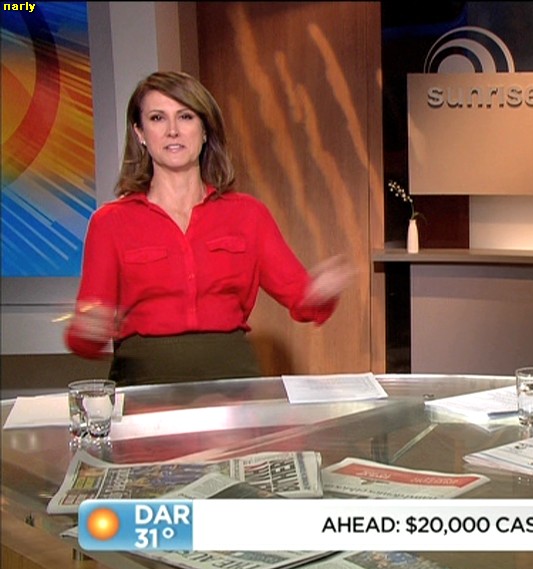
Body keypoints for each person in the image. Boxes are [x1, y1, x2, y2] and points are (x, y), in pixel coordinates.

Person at [65, 71, 353, 386]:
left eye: (186, 116)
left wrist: (321, 290)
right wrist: (87, 329)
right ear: (140, 133)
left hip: (231, 380)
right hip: (144, 382)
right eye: (158, 118)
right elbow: (86, 333)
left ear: (204, 131)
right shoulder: (110, 222)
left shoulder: (248, 214)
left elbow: (302, 300)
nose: (173, 130)